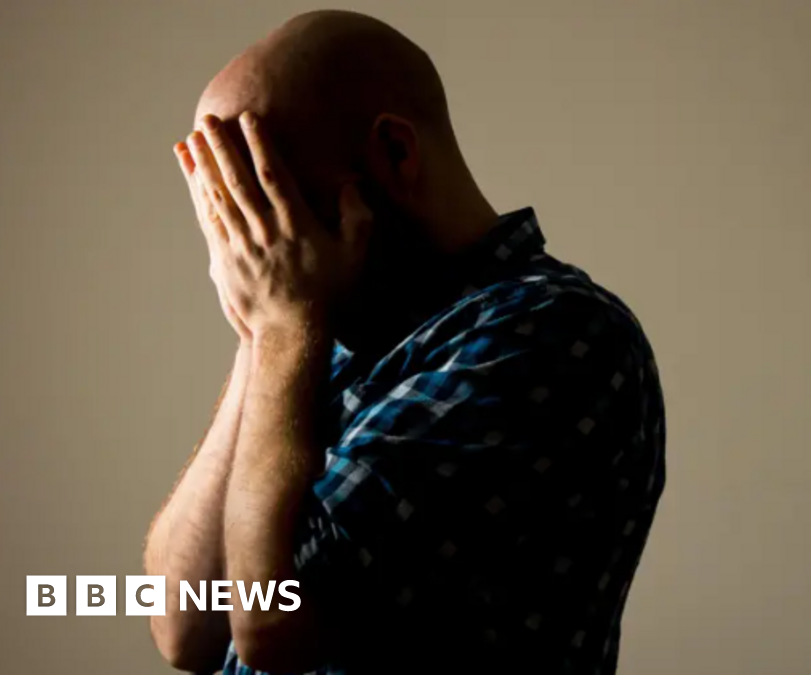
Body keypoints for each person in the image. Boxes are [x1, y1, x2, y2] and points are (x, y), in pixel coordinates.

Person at [141, 9, 666, 675]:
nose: (253, 244)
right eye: (231, 213)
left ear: (394, 153)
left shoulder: (552, 333)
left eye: (268, 201)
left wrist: (278, 326)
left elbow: (271, 620)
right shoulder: (310, 339)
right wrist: (259, 334)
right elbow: (182, 628)